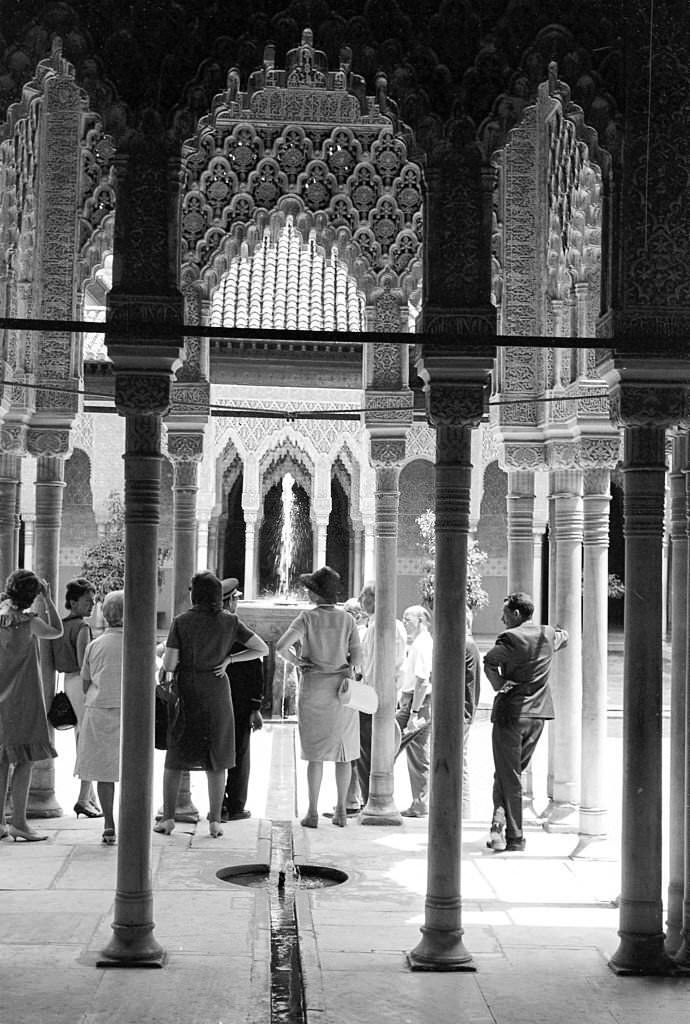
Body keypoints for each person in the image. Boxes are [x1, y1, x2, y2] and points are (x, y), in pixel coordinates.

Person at [155, 571, 268, 838]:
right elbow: (261, 648)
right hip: (218, 691)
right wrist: (229, 660)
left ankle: (169, 819)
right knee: (217, 757)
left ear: (195, 593)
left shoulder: (181, 622)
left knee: (176, 756)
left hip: (188, 690)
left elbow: (170, 663)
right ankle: (216, 822)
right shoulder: (230, 621)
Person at [275, 565, 362, 829]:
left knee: (314, 754)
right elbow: (357, 657)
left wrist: (299, 662)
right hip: (341, 691)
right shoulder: (347, 619)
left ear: (315, 594)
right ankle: (341, 812)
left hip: (313, 688)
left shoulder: (306, 618)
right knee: (343, 753)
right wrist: (351, 673)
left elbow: (280, 647)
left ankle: (312, 812)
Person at [484, 592, 568, 852]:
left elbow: (489, 662)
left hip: (511, 714)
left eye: (505, 613)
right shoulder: (548, 635)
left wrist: (500, 685)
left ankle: (515, 836)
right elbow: (563, 638)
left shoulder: (511, 638)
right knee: (509, 774)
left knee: (509, 777)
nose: (501, 618)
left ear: (517, 614)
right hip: (538, 716)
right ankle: (498, 826)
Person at [0, 570, 63, 842]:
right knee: (24, 759)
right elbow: (57, 631)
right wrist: (47, 601)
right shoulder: (30, 623)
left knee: (1, 760)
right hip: (23, 697)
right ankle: (19, 822)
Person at [345, 582, 407, 813]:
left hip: (372, 694)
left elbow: (375, 666)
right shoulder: (390, 625)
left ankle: (369, 799)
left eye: (365, 598)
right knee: (368, 749)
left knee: (365, 750)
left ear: (375, 599)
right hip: (380, 691)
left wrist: (361, 688)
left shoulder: (380, 626)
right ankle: (366, 797)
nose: (362, 603)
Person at [76, 590, 124, 845]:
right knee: (133, 771)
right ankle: (132, 820)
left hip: (99, 711)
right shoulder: (137, 643)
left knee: (105, 773)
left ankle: (109, 823)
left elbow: (86, 682)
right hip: (129, 713)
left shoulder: (95, 644)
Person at [51, 578, 100, 818]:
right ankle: (83, 798)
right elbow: (85, 666)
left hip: (65, 683)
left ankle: (91, 798)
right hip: (80, 685)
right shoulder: (82, 628)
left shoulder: (59, 626)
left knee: (81, 739)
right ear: (74, 602)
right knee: (88, 741)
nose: (92, 605)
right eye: (88, 601)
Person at [220, 577, 264, 821]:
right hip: (238, 702)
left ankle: (218, 805)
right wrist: (255, 706)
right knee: (239, 754)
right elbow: (255, 666)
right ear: (230, 602)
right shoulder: (235, 626)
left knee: (215, 753)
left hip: (213, 698)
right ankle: (235, 805)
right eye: (236, 598)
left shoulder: (206, 627)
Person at [396, 605, 433, 817]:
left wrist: (413, 713)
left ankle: (374, 797)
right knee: (418, 754)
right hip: (415, 702)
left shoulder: (422, 645)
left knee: (384, 746)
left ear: (421, 620)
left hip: (416, 704)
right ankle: (419, 803)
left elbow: (421, 681)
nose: (405, 623)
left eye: (408, 619)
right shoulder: (420, 643)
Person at [463, 608, 482, 818]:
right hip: (465, 711)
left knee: (459, 759)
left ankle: (463, 809)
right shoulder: (471, 646)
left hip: (461, 712)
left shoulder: (466, 646)